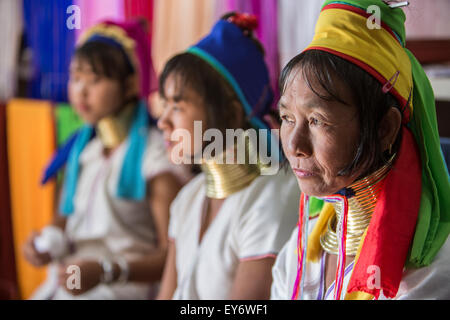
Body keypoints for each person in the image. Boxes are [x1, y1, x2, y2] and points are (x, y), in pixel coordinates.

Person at [272, 0, 450, 300]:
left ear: (384, 129)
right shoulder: (302, 244)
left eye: (317, 121)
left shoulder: (428, 271)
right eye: (288, 118)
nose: (293, 145)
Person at [23, 20, 187, 300]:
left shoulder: (155, 159)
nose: (81, 91)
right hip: (68, 286)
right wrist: (42, 242)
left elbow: (175, 252)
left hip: (122, 290)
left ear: (130, 83)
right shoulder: (84, 151)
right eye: (76, 78)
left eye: (95, 79)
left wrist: (107, 270)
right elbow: (64, 217)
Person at [156, 13, 300, 300]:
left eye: (177, 106)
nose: (162, 122)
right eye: (165, 105)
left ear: (233, 113)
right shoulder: (189, 198)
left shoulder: (273, 197)